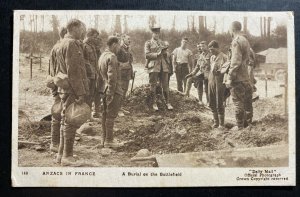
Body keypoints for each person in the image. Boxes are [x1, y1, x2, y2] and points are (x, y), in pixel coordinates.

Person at [54, 19, 89, 165]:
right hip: (72, 89)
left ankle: (61, 155)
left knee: (65, 120)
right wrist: (81, 93)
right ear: (73, 28)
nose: (83, 32)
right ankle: (67, 157)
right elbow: (74, 71)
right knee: (70, 122)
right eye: (81, 28)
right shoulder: (71, 44)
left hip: (64, 88)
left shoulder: (61, 44)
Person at [225, 21, 253, 131]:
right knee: (247, 101)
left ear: (232, 29)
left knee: (238, 102)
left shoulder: (236, 41)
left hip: (238, 78)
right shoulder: (245, 40)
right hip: (245, 76)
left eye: (229, 30)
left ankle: (240, 127)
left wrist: (230, 78)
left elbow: (235, 61)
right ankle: (248, 124)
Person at [98, 36, 124, 148]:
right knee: (111, 116)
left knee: (104, 114)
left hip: (103, 89)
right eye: (118, 45)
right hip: (112, 90)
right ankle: (109, 141)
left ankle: (104, 139)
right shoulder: (112, 57)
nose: (119, 48)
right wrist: (111, 93)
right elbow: (112, 77)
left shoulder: (102, 56)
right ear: (114, 44)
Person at [144, 25, 173, 111]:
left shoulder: (162, 43)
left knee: (165, 85)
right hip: (154, 67)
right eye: (155, 33)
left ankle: (167, 102)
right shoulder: (148, 43)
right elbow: (147, 55)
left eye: (158, 33)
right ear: (152, 33)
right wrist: (157, 54)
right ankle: (154, 103)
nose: (157, 35)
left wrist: (165, 53)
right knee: (153, 85)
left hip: (163, 67)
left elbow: (168, 55)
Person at [49, 27, 67, 153]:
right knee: (57, 114)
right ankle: (55, 143)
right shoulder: (59, 47)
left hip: (57, 82)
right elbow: (55, 69)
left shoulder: (58, 46)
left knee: (60, 113)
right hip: (58, 83)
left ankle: (58, 142)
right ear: (65, 34)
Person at [207, 40, 228, 129]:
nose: (211, 51)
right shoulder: (212, 57)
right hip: (211, 80)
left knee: (219, 101)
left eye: (212, 49)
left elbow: (226, 71)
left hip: (219, 81)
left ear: (217, 48)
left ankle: (221, 124)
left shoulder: (224, 57)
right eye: (210, 50)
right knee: (211, 101)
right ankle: (216, 122)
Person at [83, 28, 102, 118]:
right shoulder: (84, 45)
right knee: (88, 96)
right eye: (94, 37)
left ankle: (92, 113)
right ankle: (87, 115)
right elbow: (84, 61)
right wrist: (91, 71)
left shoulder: (93, 46)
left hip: (94, 74)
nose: (96, 39)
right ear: (89, 36)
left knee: (94, 94)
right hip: (88, 75)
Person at [116, 34, 134, 116]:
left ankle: (121, 107)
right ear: (123, 39)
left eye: (130, 39)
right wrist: (124, 65)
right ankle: (117, 109)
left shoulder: (128, 49)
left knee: (125, 91)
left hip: (127, 74)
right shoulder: (119, 49)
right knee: (121, 91)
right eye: (128, 39)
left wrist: (131, 72)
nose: (129, 40)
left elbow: (130, 62)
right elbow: (115, 61)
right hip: (121, 73)